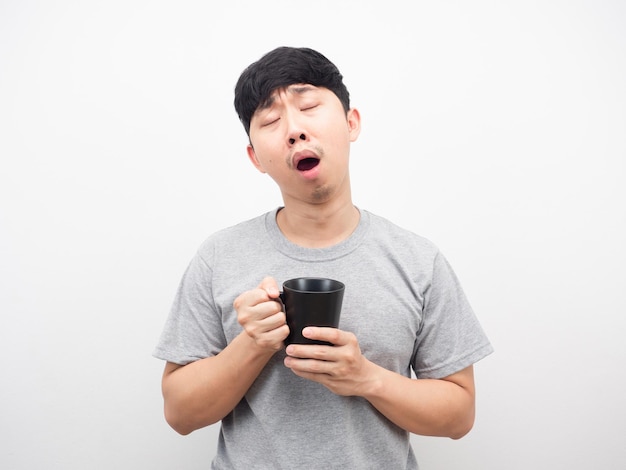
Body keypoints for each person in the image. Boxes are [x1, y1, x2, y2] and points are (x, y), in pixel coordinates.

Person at [153, 46, 493, 469]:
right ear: (256, 157)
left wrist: (366, 378)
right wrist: (254, 344)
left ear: (352, 123)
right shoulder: (218, 256)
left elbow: (459, 416)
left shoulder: (418, 260)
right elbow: (180, 414)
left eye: (309, 105)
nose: (294, 130)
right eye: (272, 121)